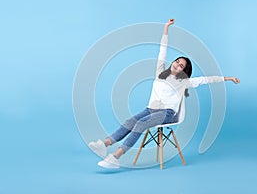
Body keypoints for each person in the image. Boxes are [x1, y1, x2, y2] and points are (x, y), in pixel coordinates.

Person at [89, 19, 240, 168]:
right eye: (177, 61)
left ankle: (116, 157)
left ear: (183, 71)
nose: (177, 65)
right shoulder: (160, 71)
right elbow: (163, 49)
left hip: (167, 113)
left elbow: (205, 80)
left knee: (140, 124)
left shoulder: (184, 82)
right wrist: (166, 28)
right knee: (130, 122)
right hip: (150, 109)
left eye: (181, 66)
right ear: (172, 62)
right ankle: (104, 144)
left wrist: (227, 78)